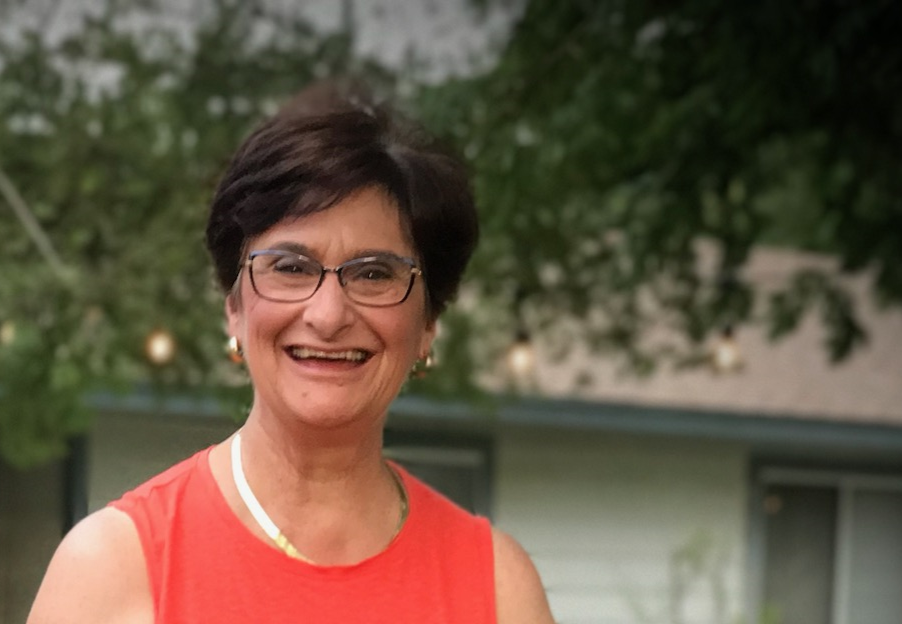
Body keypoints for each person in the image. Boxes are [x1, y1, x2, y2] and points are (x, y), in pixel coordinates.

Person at [27, 82, 555, 623]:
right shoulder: (114, 570)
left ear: (428, 323)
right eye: (290, 267)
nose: (328, 315)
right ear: (234, 307)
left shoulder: (498, 588)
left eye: (374, 274)